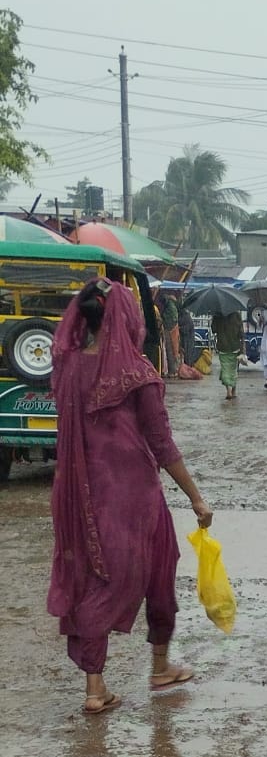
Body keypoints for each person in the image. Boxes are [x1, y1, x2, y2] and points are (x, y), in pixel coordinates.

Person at [47, 279, 213, 715]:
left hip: (80, 495)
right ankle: (159, 667)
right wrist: (197, 498)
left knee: (93, 579)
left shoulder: (66, 367)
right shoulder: (138, 373)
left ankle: (95, 688)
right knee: (157, 573)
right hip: (134, 497)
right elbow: (162, 444)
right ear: (127, 318)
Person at [212, 304, 243, 404]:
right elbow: (241, 333)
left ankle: (231, 390)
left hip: (231, 348)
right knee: (230, 370)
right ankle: (230, 391)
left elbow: (213, 330)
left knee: (230, 370)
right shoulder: (235, 315)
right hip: (227, 348)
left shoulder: (219, 316)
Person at [160, 288, 181, 379]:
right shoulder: (173, 305)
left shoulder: (169, 306)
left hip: (169, 329)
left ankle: (172, 371)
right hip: (174, 329)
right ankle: (174, 370)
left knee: (170, 350)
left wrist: (162, 320)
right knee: (174, 350)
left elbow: (169, 319)